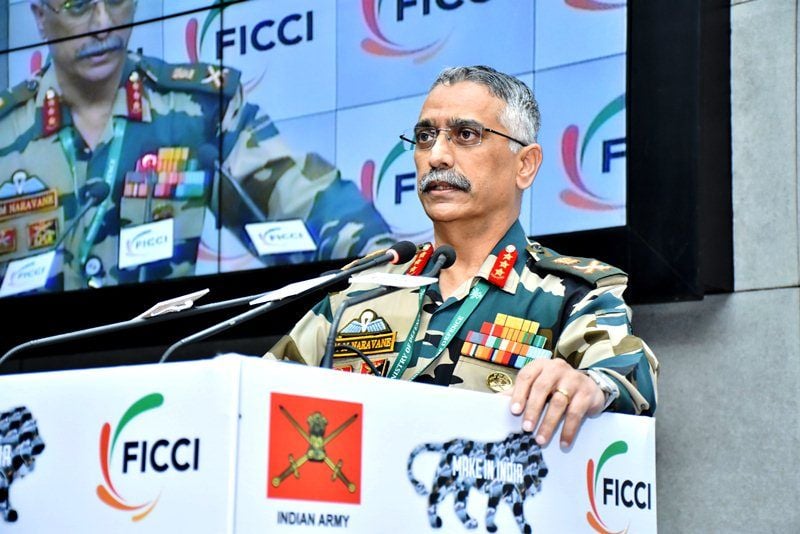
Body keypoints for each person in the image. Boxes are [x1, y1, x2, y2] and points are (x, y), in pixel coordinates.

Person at [266, 65, 658, 448]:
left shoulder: (572, 293)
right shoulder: (361, 291)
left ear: (525, 164)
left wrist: (588, 383)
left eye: (465, 135)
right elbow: (261, 392)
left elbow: (626, 375)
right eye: (425, 137)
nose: (437, 155)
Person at [0, 0, 391, 294]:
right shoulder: (6, 131)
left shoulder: (199, 108)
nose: (103, 25)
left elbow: (303, 201)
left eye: (116, 1)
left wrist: (386, 266)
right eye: (79, 5)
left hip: (163, 359)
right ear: (40, 17)